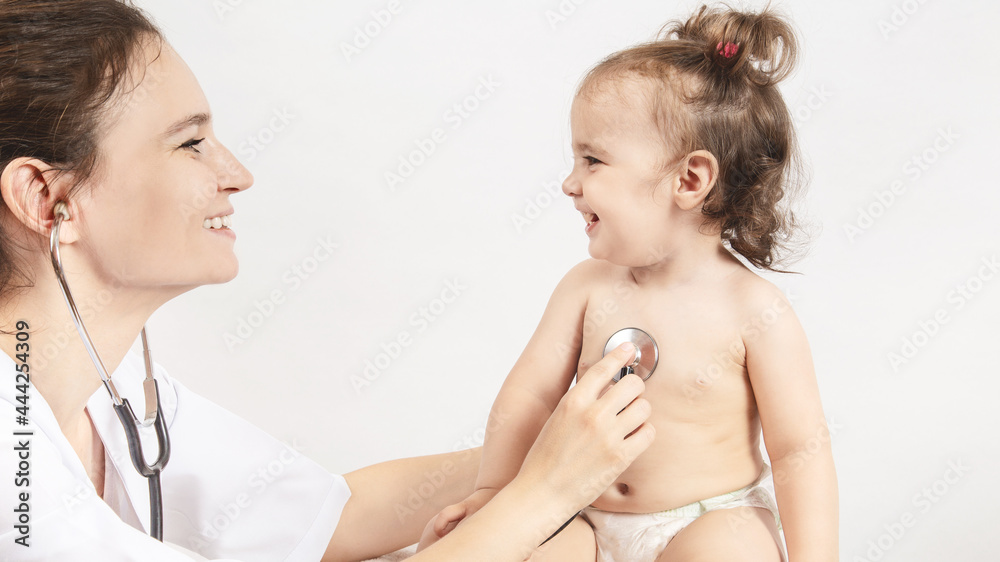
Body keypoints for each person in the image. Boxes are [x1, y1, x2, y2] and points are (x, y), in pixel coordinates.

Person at [0, 1, 655, 560]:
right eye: (190, 143)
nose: (236, 173)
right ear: (46, 198)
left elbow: (325, 515)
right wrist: (547, 489)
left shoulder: (105, 396)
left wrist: (575, 446)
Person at [418, 5, 838, 561]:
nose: (570, 183)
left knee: (730, 550)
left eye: (592, 160)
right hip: (585, 516)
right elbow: (529, 396)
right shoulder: (586, 288)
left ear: (689, 179)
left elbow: (798, 454)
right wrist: (496, 494)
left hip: (703, 517)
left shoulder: (753, 309)